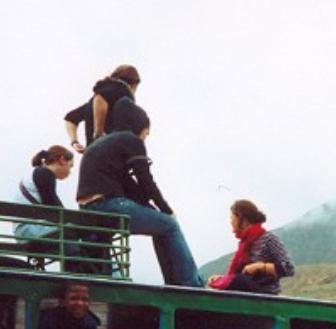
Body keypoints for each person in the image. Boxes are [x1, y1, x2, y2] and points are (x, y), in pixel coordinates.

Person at [76, 113, 203, 287]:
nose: (145, 139)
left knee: (158, 224)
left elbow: (129, 185)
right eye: (147, 134)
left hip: (87, 209)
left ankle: (173, 281)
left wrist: (151, 208)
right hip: (109, 204)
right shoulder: (132, 140)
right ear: (142, 128)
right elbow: (145, 180)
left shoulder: (105, 145)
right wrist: (167, 210)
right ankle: (190, 284)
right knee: (169, 226)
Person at [207, 199, 295, 294]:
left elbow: (289, 268)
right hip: (247, 292)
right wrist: (222, 279)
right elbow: (238, 274)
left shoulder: (268, 239)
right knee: (233, 281)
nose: (231, 221)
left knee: (239, 280)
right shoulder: (244, 243)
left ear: (241, 218)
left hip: (265, 293)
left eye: (232, 217)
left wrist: (259, 267)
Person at [64, 65, 141, 153]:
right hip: (107, 154)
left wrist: (74, 141)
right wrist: (98, 134)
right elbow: (101, 96)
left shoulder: (94, 101)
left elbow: (70, 118)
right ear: (134, 84)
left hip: (91, 156)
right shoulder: (122, 90)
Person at [13, 146, 74, 240]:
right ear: (62, 160)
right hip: (32, 228)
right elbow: (53, 206)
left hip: (24, 230)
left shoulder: (37, 172)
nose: (70, 172)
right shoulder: (44, 173)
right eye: (70, 166)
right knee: (75, 245)